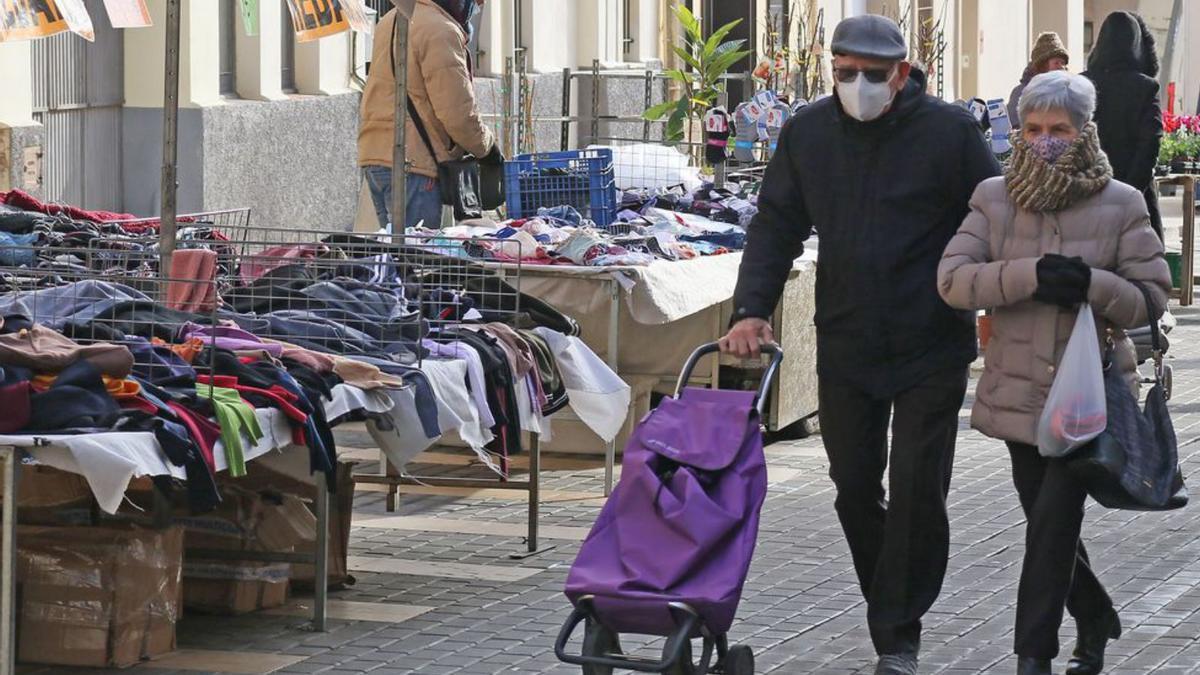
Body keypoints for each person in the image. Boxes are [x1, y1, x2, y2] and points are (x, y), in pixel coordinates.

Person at [720, 15, 1001, 675]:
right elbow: (776, 223)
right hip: (846, 338)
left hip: (932, 342)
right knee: (852, 485)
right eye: (845, 72)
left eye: (872, 74)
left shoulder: (952, 133)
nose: (858, 85)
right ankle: (891, 606)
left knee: (916, 488)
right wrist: (751, 309)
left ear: (902, 74)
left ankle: (897, 634)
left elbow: (995, 216)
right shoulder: (808, 133)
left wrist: (994, 296)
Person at [938, 71, 1170, 675]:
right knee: (1047, 523)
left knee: (1052, 524)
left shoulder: (1121, 202)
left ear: (1083, 132)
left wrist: (1092, 285)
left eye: (1059, 130)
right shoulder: (994, 196)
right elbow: (953, 280)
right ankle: (1092, 612)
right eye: (1033, 129)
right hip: (1017, 395)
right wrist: (1028, 275)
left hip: (1087, 394)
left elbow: (1152, 297)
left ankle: (1031, 656)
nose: (1044, 141)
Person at [357, 0, 494, 231]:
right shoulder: (441, 30)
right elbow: (457, 113)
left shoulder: (391, 19)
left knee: (396, 257)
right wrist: (487, 147)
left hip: (376, 154)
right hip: (415, 163)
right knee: (418, 257)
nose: (476, 6)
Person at [1084, 11, 1165, 241]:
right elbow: (1150, 143)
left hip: (1086, 195)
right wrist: (1130, 192)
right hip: (1135, 195)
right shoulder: (1145, 87)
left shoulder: (1081, 83)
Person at [1007, 32, 1071, 126]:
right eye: (1056, 63)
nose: (1061, 67)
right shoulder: (1021, 93)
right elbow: (1013, 127)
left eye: (1063, 63)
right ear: (1042, 65)